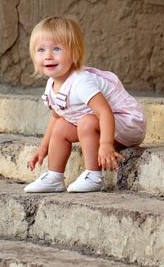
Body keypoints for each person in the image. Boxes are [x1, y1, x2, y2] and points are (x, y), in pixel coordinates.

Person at [24, 16, 146, 193]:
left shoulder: (82, 82)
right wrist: (43, 147)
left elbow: (104, 113)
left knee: (86, 121)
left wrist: (105, 144)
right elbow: (56, 116)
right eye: (41, 50)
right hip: (103, 123)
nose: (48, 56)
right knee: (60, 126)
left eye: (56, 49)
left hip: (127, 123)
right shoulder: (52, 83)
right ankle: (54, 177)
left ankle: (94, 175)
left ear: (74, 53)